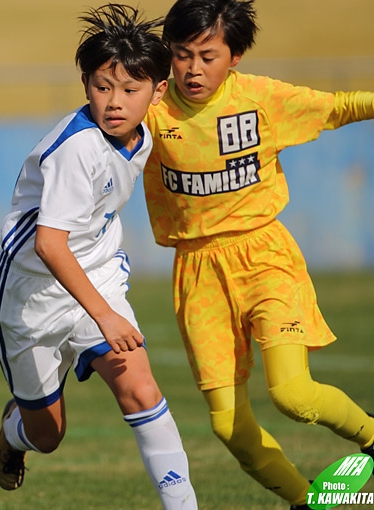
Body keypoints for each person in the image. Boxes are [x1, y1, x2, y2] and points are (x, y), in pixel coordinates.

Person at [141, 0, 374, 508]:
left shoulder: (262, 99)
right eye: (181, 55)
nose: (192, 69)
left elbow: (338, 108)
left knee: (293, 395)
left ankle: (372, 437)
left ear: (236, 55)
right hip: (197, 272)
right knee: (228, 424)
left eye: (207, 55)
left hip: (264, 255)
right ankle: (306, 501)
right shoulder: (151, 111)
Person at [0, 4, 198, 509]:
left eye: (130, 89)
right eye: (103, 87)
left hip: (96, 275)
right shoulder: (77, 148)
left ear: (157, 91)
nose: (116, 102)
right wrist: (104, 316)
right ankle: (13, 434)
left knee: (141, 391)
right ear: (85, 84)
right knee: (48, 434)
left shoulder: (145, 129)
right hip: (31, 295)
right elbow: (49, 243)